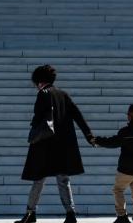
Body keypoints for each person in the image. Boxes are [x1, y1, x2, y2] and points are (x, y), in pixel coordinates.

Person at [16, 65, 95, 223]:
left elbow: (39, 119)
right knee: (63, 179)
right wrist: (89, 135)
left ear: (39, 81)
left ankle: (30, 213)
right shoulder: (63, 94)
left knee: (38, 179)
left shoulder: (43, 94)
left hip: (44, 144)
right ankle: (70, 213)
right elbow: (77, 115)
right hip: (63, 145)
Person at [92, 103, 133, 223]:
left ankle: (122, 216)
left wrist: (97, 140)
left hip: (126, 169)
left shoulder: (127, 131)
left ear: (130, 116)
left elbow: (113, 142)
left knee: (118, 190)